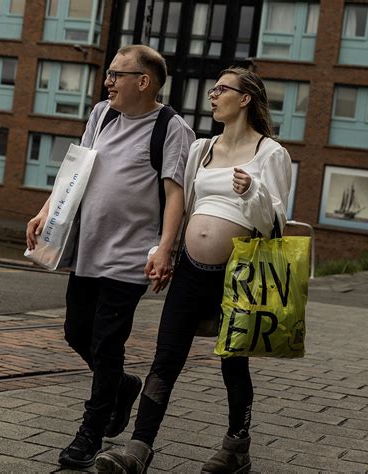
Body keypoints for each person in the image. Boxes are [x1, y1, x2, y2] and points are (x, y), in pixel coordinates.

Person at [94, 66, 292, 474]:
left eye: (222, 89)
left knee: (233, 363)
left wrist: (252, 191)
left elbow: (277, 222)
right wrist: (164, 252)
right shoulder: (202, 148)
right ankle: (138, 448)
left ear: (245, 99)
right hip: (190, 270)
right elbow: (183, 208)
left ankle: (236, 448)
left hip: (239, 276)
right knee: (165, 359)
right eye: (212, 89)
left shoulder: (271, 153)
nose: (212, 96)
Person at [25, 44, 195, 469]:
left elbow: (176, 195)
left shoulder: (172, 128)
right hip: (88, 247)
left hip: (132, 256)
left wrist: (165, 249)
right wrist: (46, 210)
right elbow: (74, 171)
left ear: (144, 81)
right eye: (109, 75)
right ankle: (121, 387)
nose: (108, 81)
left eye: (117, 75)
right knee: (76, 331)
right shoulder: (102, 114)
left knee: (106, 343)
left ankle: (91, 431)